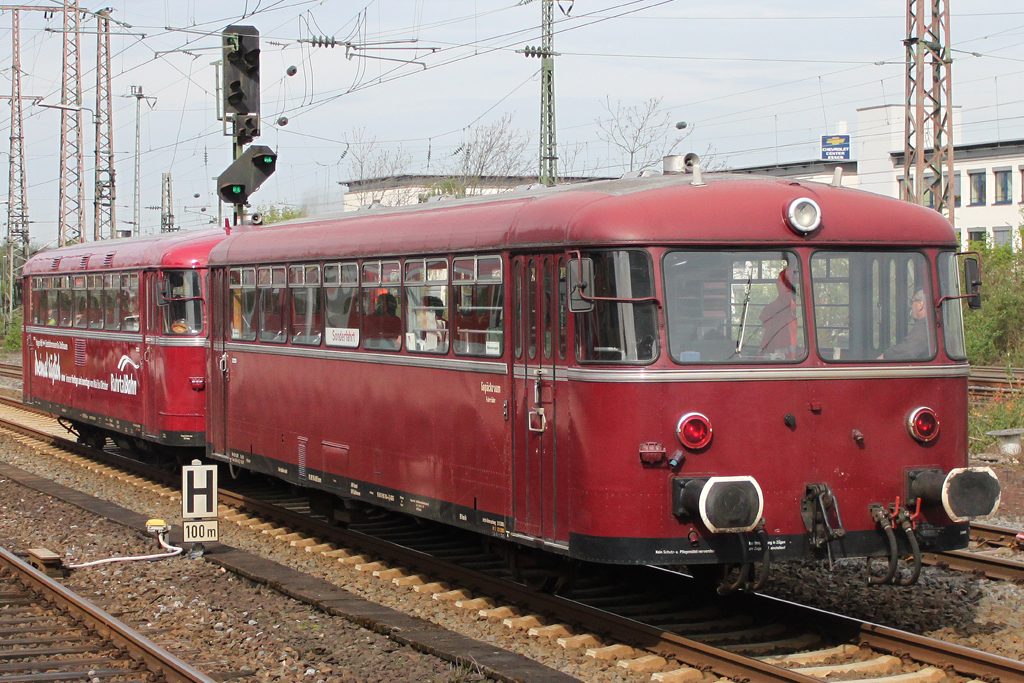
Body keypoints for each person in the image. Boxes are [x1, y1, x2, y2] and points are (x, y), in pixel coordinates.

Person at [880, 290, 931, 360]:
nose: (911, 306)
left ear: (921, 305)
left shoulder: (925, 325)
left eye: (912, 302)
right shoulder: (930, 324)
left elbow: (909, 350)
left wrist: (885, 357)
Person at [759, 268, 799, 358]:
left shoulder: (777, 308)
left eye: (780, 281)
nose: (777, 283)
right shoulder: (787, 307)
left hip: (781, 360)